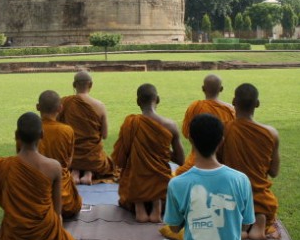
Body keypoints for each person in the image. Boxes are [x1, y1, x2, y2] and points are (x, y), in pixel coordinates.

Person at [151, 113, 255, 240]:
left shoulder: (178, 183)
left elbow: (174, 227)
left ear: (190, 140)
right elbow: (246, 225)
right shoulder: (240, 180)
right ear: (221, 141)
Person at [0, 112, 82, 240]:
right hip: (44, 229)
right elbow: (57, 207)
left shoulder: (3, 166)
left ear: (16, 135)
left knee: (13, 217)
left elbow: (2, 201)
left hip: (16, 229)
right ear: (42, 135)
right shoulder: (53, 166)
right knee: (58, 227)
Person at [112, 83, 185, 223]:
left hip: (135, 186)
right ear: (157, 99)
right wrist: (162, 151)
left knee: (133, 171)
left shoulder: (130, 123)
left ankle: (139, 206)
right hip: (162, 187)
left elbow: (120, 159)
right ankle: (156, 205)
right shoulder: (170, 125)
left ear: (138, 101)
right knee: (159, 181)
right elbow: (181, 160)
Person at [220, 83, 281, 240]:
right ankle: (258, 220)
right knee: (259, 203)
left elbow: (216, 164)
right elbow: (274, 172)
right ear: (257, 104)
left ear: (234, 101)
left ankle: (240, 225)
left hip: (230, 196)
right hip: (260, 198)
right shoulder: (270, 133)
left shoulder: (224, 130)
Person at [58, 70, 116, 185]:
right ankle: (88, 173)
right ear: (90, 85)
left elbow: (58, 128)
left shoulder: (64, 103)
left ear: (74, 85)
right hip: (93, 159)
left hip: (71, 157)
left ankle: (75, 172)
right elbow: (104, 135)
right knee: (105, 161)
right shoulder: (100, 106)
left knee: (74, 151)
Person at [174, 74, 236, 176]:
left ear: (203, 88)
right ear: (221, 89)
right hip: (223, 162)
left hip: (196, 162)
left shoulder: (196, 107)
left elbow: (187, 133)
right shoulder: (231, 110)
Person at [34, 90, 83, 217]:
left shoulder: (29, 132)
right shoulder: (66, 131)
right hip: (64, 202)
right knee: (76, 202)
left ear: (38, 107)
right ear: (60, 108)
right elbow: (69, 162)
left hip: (35, 202)